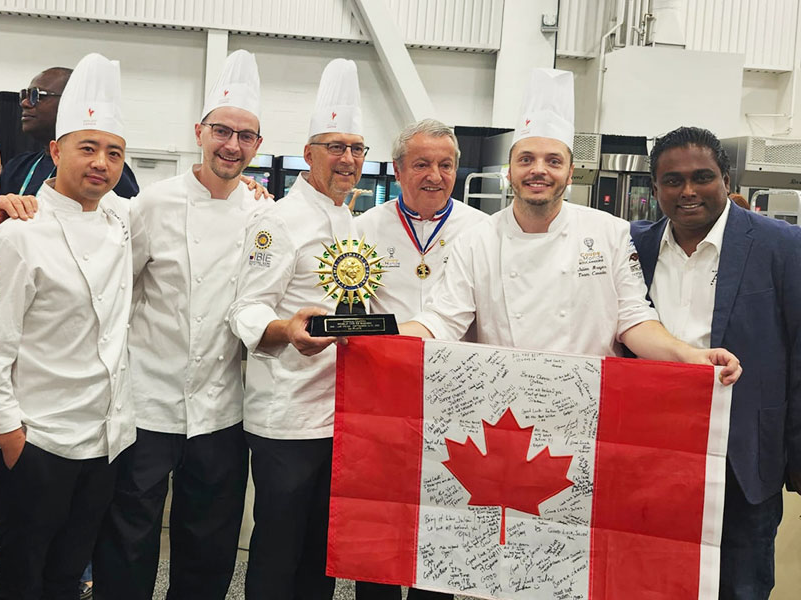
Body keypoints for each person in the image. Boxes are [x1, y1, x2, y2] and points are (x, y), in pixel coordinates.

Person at [401, 70, 740, 382]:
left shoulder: (610, 233)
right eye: (526, 159)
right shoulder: (475, 242)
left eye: (553, 161)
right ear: (510, 170)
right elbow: (443, 320)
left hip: (590, 403)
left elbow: (633, 319)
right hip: (507, 399)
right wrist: (376, 337)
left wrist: (690, 356)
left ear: (570, 171)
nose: (539, 170)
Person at [93, 49, 273, 600]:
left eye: (246, 136)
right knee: (129, 534)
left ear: (258, 146)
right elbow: (117, 288)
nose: (232, 145)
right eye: (222, 131)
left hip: (221, 409)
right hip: (148, 400)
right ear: (199, 131)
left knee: (210, 541)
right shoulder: (152, 204)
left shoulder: (265, 213)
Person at [0, 53, 137, 600]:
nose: (101, 163)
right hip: (39, 440)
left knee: (69, 573)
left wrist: (256, 195)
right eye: (87, 148)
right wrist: (9, 436)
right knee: (21, 574)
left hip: (104, 439)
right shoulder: (19, 234)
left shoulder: (121, 219)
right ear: (55, 151)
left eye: (113, 153)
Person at [631, 126, 801, 599]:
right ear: (656, 188)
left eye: (702, 177)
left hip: (744, 456)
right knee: (648, 580)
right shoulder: (632, 247)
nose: (688, 191)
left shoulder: (781, 246)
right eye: (672, 180)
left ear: (726, 179)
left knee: (739, 586)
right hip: (648, 454)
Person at [228, 57, 368, 600]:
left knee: (323, 549)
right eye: (335, 147)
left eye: (356, 148)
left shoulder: (351, 220)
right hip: (287, 417)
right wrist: (287, 329)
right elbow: (244, 308)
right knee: (279, 546)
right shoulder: (278, 221)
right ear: (308, 154)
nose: (348, 159)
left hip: (341, 415)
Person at [353, 120, 488, 600]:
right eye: (422, 164)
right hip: (382, 402)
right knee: (381, 521)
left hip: (457, 403)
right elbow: (351, 314)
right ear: (397, 169)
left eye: (446, 165)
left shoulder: (483, 230)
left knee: (443, 522)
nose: (435, 174)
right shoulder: (363, 228)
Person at [1, 66, 140, 199]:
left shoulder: (103, 170)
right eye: (24, 95)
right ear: (55, 152)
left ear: (69, 103)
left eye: (36, 95)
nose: (25, 103)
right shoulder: (18, 167)